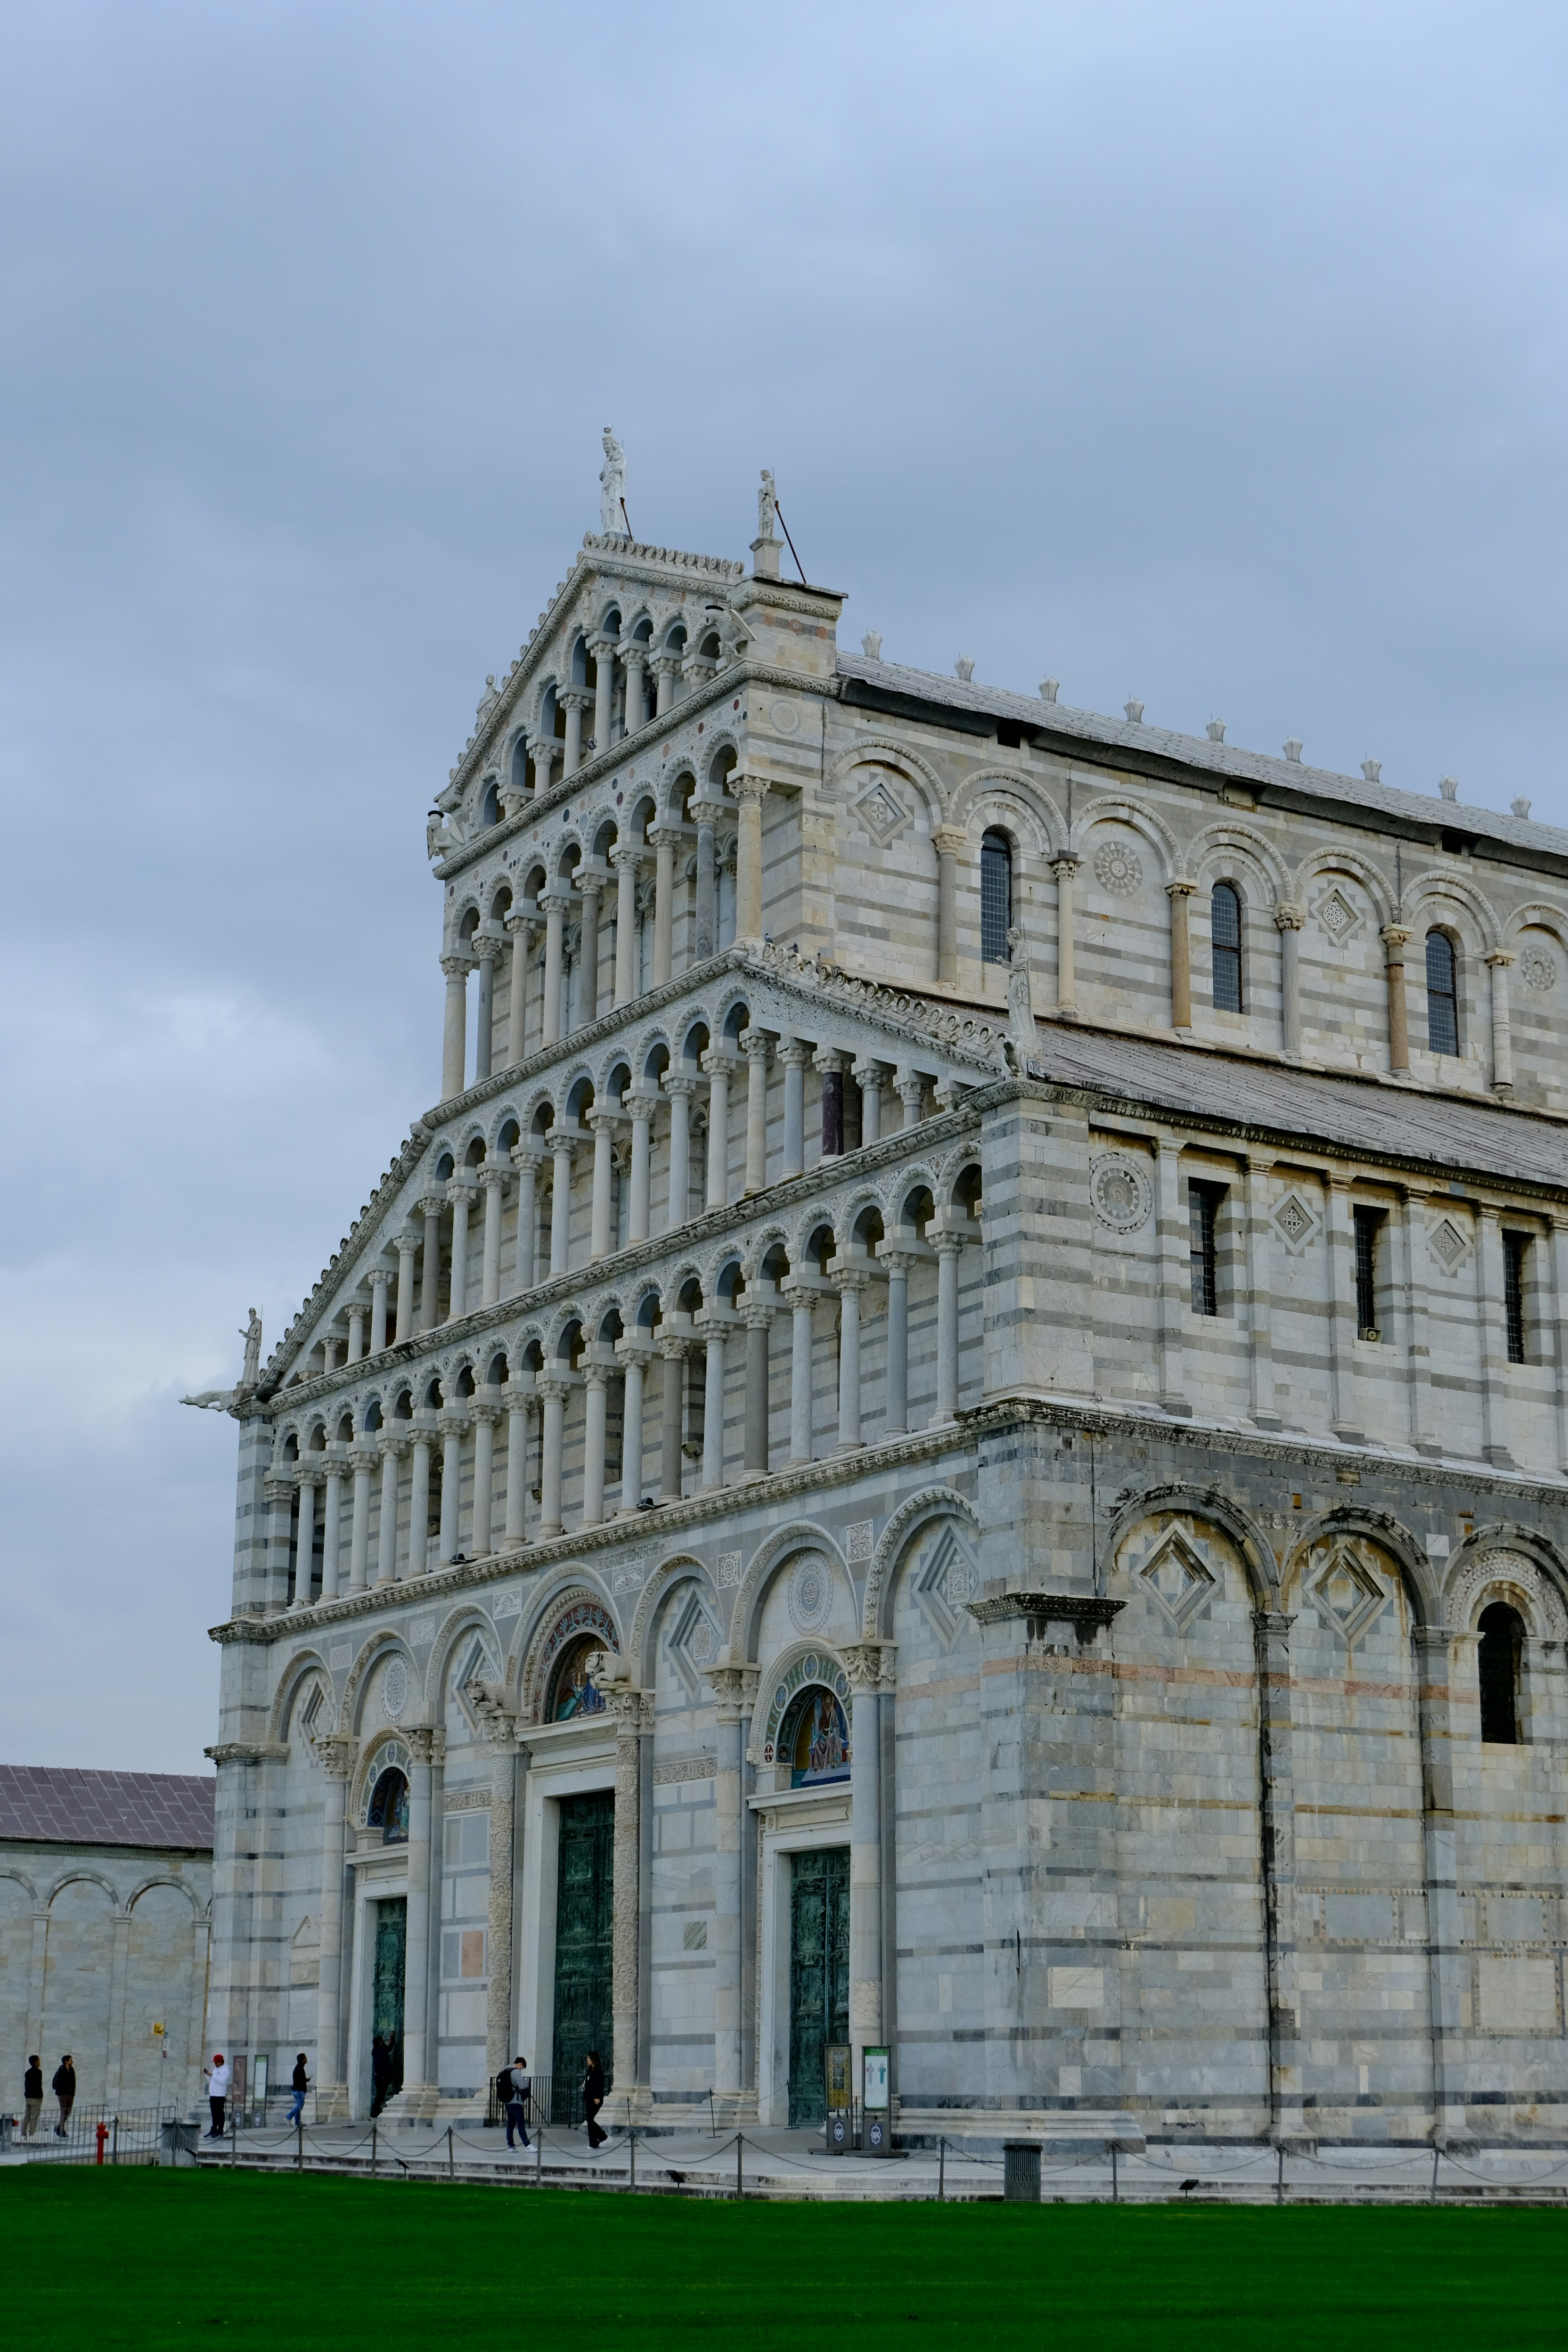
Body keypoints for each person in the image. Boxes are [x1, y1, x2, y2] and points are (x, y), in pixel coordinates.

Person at [503, 2056, 531, 2152]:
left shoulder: (506, 2070)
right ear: (520, 2064)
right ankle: (527, 2144)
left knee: (511, 2124)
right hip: (516, 2101)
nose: (521, 2070)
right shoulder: (516, 2072)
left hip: (508, 2101)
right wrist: (527, 2082)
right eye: (522, 2068)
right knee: (521, 2123)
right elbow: (522, 2086)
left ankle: (510, 2146)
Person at [582, 2050, 607, 2151]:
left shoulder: (598, 2071)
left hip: (596, 2099)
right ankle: (597, 2140)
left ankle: (600, 2138)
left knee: (589, 2119)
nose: (587, 2060)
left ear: (593, 2059)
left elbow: (600, 2085)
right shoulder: (590, 2071)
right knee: (589, 2120)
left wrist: (598, 2097)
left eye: (589, 2058)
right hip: (589, 2098)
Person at [204, 2053, 231, 2138]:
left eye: (216, 2062)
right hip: (213, 2095)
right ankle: (214, 2129)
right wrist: (208, 2075)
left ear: (220, 2062)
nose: (215, 2064)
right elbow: (213, 2080)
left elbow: (222, 2081)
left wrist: (212, 2075)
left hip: (219, 2095)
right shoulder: (216, 2070)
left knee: (220, 2113)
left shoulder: (225, 2070)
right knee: (214, 2113)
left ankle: (220, 2130)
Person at [370, 2033, 394, 2117]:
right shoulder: (381, 2051)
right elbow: (389, 2048)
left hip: (379, 2077)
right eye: (382, 2040)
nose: (384, 2041)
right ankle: (375, 2112)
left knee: (379, 2094)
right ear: (380, 2042)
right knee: (381, 2095)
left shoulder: (376, 2051)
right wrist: (392, 2037)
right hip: (382, 2077)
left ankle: (375, 2111)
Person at [52, 2055, 75, 2137]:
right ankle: (62, 2131)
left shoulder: (72, 2070)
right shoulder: (61, 2070)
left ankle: (58, 2128)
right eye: (70, 2060)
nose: (72, 2061)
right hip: (63, 2095)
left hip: (70, 2095)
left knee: (68, 2113)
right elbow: (56, 2082)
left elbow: (73, 2082)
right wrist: (60, 2093)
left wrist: (73, 2093)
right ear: (66, 2061)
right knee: (64, 2112)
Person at [22, 2056, 43, 2139]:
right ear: (35, 2062)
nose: (39, 2062)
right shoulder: (38, 2072)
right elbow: (38, 2085)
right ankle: (32, 2134)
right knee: (34, 2117)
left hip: (28, 2097)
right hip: (36, 2097)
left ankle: (23, 2133)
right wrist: (40, 2096)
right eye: (38, 2061)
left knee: (27, 2116)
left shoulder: (28, 2072)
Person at [286, 2054, 309, 2127]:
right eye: (305, 2058)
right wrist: (305, 2080)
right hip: (299, 2090)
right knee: (299, 2105)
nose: (306, 2059)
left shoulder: (300, 2067)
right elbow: (300, 2080)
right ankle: (289, 2117)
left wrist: (306, 2080)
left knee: (300, 2106)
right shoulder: (299, 2068)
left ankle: (298, 2122)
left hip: (299, 2090)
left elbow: (300, 2079)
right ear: (303, 2060)